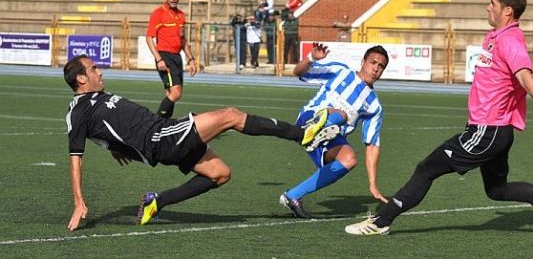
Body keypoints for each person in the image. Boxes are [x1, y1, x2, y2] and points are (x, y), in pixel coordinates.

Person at [344, 0, 533, 236]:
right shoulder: (495, 36)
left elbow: (523, 74)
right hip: (495, 132)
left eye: (493, 3)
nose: (487, 7)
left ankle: (381, 221)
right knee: (497, 191)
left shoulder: (510, 40)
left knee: (426, 168)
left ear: (507, 11)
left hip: (487, 132)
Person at [63, 55, 335, 231]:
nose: (100, 71)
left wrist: (113, 148)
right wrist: (78, 201)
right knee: (231, 115)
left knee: (220, 174)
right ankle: (302, 134)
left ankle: (157, 202)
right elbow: (76, 155)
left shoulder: (97, 98)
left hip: (163, 135)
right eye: (93, 69)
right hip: (161, 138)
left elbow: (108, 129)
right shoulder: (78, 111)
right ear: (81, 78)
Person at [279, 43, 389, 218]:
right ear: (363, 62)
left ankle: (292, 196)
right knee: (342, 114)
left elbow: (372, 145)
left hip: (329, 138)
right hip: (309, 118)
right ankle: (316, 128)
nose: (376, 68)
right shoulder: (341, 71)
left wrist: (373, 184)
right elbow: (298, 72)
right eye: (373, 62)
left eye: (381, 66)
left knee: (349, 159)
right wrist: (311, 58)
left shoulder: (374, 106)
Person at [145, 0, 196, 119]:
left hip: (177, 58)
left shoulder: (181, 15)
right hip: (164, 57)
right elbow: (149, 38)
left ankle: (163, 126)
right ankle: (155, 123)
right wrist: (158, 59)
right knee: (176, 92)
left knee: (170, 93)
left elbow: (183, 39)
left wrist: (191, 60)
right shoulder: (158, 13)